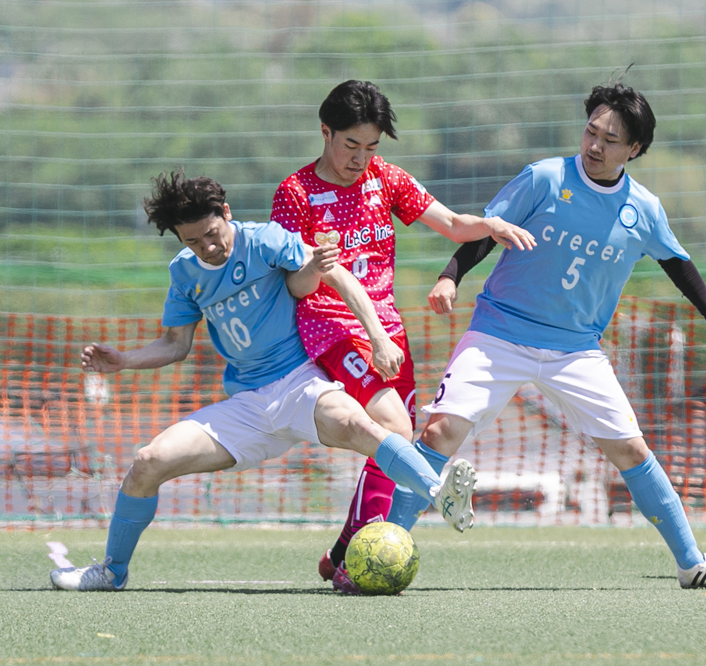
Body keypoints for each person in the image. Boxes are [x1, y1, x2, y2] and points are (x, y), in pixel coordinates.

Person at [49, 172, 476, 591]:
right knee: (147, 462)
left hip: (299, 386)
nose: (208, 247)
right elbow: (176, 344)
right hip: (247, 406)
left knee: (365, 426)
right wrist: (124, 360)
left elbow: (336, 274)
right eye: (193, 241)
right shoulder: (184, 273)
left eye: (212, 234)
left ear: (227, 213)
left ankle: (440, 494)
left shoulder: (264, 239)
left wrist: (377, 339)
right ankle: (111, 572)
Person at [409, 79, 706, 589]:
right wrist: (448, 277)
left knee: (633, 452)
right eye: (591, 131)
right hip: (500, 333)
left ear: (634, 149)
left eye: (610, 139)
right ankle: (383, 547)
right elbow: (487, 230)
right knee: (438, 434)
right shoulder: (545, 178)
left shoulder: (644, 209)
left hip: (575, 351)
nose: (594, 145)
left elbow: (676, 261)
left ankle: (692, 564)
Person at [269, 80, 535, 592]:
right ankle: (363, 559)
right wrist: (320, 270)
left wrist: (491, 224)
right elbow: (296, 284)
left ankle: (342, 552)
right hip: (333, 328)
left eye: (371, 147)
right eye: (351, 145)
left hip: (389, 331)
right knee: (391, 426)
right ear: (325, 133)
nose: (361, 158)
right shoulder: (296, 193)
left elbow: (455, 224)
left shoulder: (386, 179)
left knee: (395, 442)